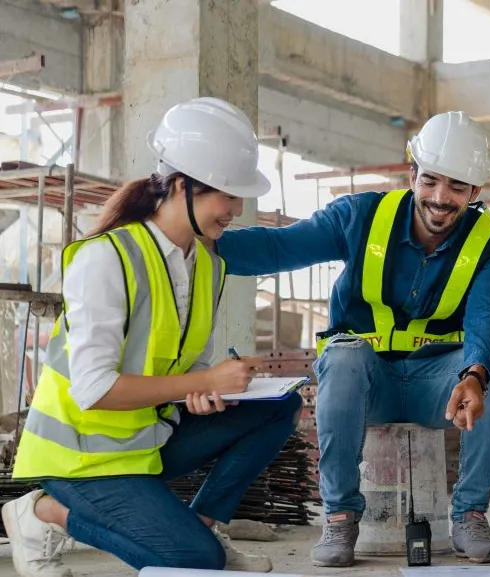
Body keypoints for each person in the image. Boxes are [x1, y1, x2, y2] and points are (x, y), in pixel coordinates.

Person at [1, 97, 302, 577]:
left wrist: (206, 390)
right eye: (227, 194)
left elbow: (187, 366)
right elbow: (94, 389)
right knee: (193, 564)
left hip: (146, 439)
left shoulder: (208, 266)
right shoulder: (106, 259)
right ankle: (43, 512)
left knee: (279, 406)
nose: (236, 209)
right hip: (80, 456)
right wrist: (200, 383)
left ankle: (203, 527)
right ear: (182, 185)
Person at [212, 110, 490, 567]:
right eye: (430, 181)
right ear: (412, 174)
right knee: (344, 356)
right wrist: (197, 241)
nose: (440, 198)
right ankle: (340, 518)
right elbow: (280, 247)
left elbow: (487, 317)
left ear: (475, 192)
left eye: (457, 187)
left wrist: (474, 374)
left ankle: (470, 515)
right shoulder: (359, 217)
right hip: (365, 386)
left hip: (438, 390)